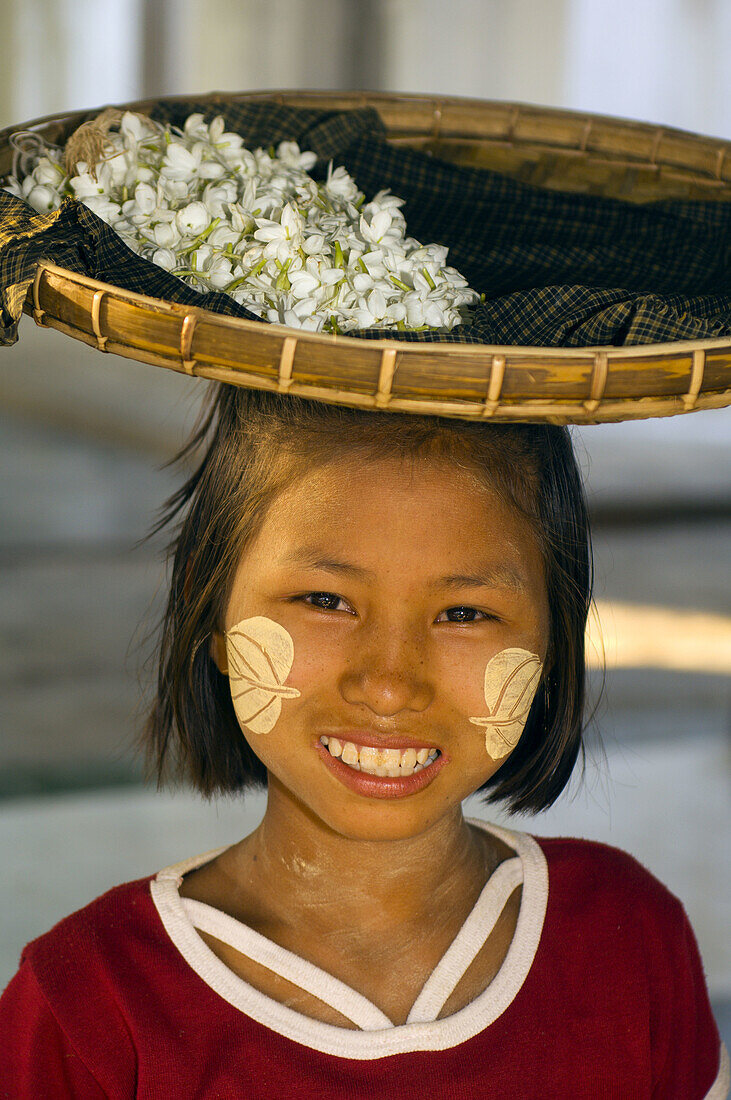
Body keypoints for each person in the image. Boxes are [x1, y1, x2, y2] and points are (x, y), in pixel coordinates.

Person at [1, 385, 728, 1099]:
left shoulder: (625, 937)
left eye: (465, 612)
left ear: (552, 638)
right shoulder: (91, 1002)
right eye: (325, 601)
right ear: (210, 604)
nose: (388, 685)